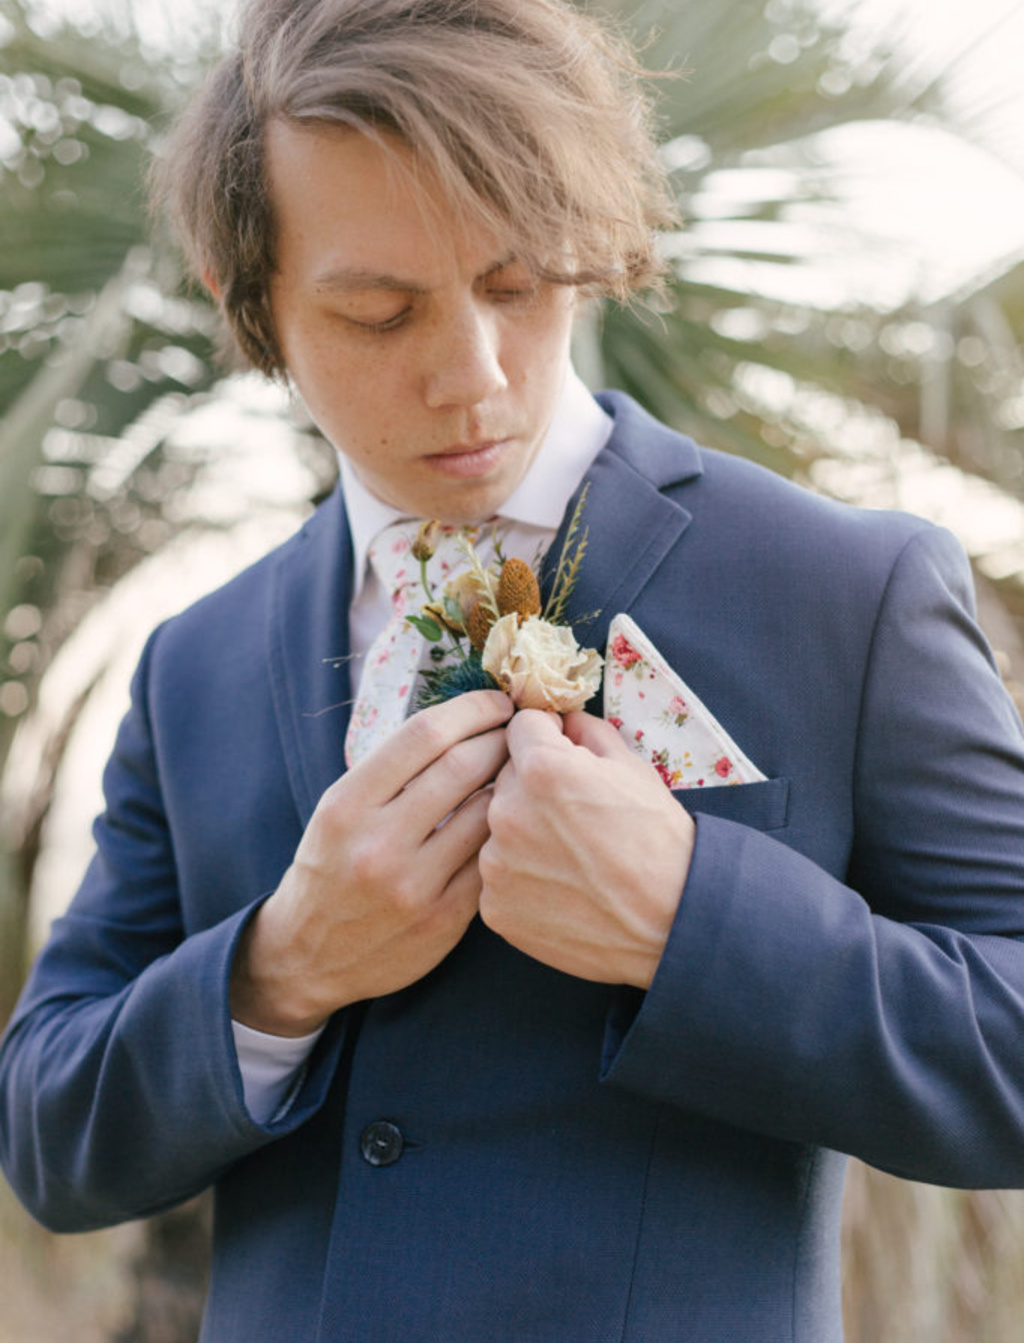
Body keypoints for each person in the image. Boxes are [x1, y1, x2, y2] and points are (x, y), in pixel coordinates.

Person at [4, 0, 1024, 1338]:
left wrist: (687, 921)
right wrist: (280, 969)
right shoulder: (195, 663)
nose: (473, 376)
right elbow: (47, 1128)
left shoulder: (847, 591)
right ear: (246, 301)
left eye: (517, 286)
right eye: (381, 312)